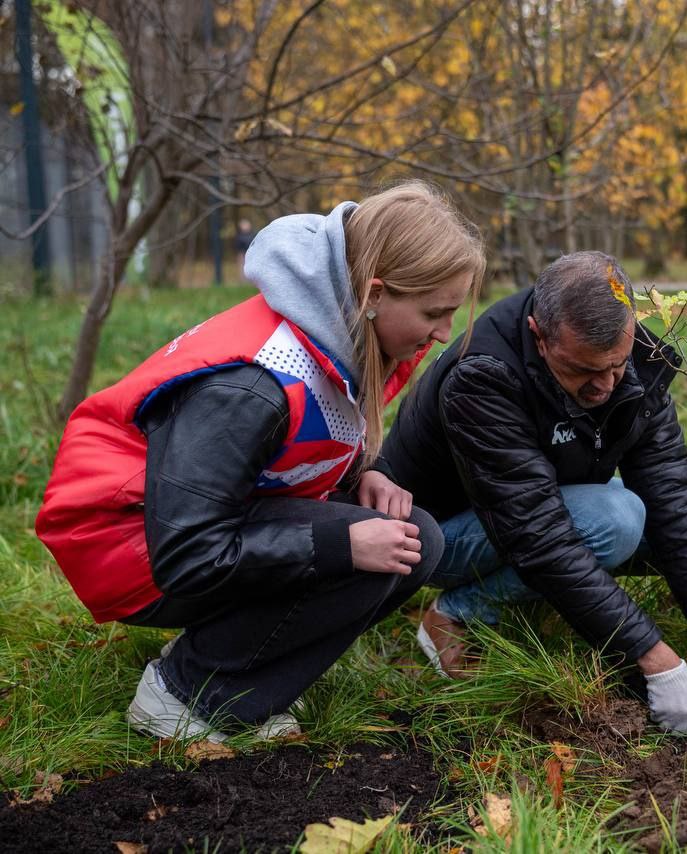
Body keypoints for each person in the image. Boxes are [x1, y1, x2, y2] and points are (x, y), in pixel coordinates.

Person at [36, 182, 485, 742]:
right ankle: (185, 693)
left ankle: (232, 658)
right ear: (374, 293)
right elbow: (187, 553)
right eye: (434, 312)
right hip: (129, 545)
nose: (443, 334)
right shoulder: (253, 386)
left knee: (412, 538)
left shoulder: (338, 332)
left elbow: (282, 456)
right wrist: (340, 543)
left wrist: (361, 475)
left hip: (180, 526)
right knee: (372, 544)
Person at [380, 251, 687, 736]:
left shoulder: (636, 365)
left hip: (546, 506)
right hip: (437, 535)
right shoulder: (482, 376)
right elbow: (537, 535)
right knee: (614, 520)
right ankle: (459, 611)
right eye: (582, 371)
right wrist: (652, 655)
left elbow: (670, 498)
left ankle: (554, 605)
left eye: (615, 365)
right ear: (538, 334)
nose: (605, 385)